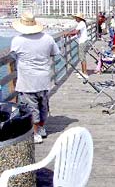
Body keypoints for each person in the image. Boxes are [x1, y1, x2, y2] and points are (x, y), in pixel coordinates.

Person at [10, 12, 60, 144]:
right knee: (43, 105)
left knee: (31, 107)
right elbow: (55, 53)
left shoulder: (17, 40)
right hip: (43, 79)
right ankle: (41, 127)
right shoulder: (48, 38)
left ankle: (35, 132)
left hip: (27, 80)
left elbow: (14, 56)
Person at [65, 13, 89, 79]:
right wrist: (71, 35)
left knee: (82, 58)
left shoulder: (81, 23)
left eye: (76, 17)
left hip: (82, 42)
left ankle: (85, 73)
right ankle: (83, 72)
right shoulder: (82, 23)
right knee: (82, 57)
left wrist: (67, 33)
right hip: (84, 41)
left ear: (79, 18)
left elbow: (75, 32)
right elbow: (77, 33)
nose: (75, 19)